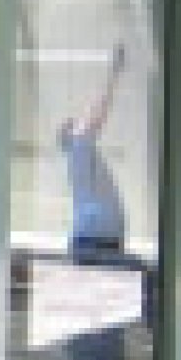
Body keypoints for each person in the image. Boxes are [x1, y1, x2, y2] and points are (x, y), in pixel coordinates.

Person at [58, 42, 127, 262]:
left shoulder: (79, 155)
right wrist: (114, 71)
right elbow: (98, 111)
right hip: (96, 240)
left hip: (96, 238)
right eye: (75, 122)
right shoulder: (79, 145)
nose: (79, 121)